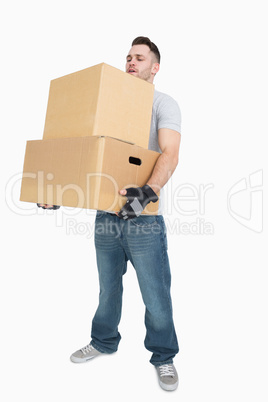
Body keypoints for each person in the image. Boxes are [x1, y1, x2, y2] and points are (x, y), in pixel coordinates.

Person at [39, 36, 181, 392]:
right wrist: (58, 193)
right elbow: (87, 155)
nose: (132, 62)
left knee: (155, 294)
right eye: (129, 57)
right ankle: (103, 341)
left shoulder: (163, 103)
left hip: (143, 218)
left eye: (140, 58)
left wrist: (148, 193)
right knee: (108, 289)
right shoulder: (109, 106)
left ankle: (163, 356)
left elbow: (170, 152)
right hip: (106, 214)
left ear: (155, 67)